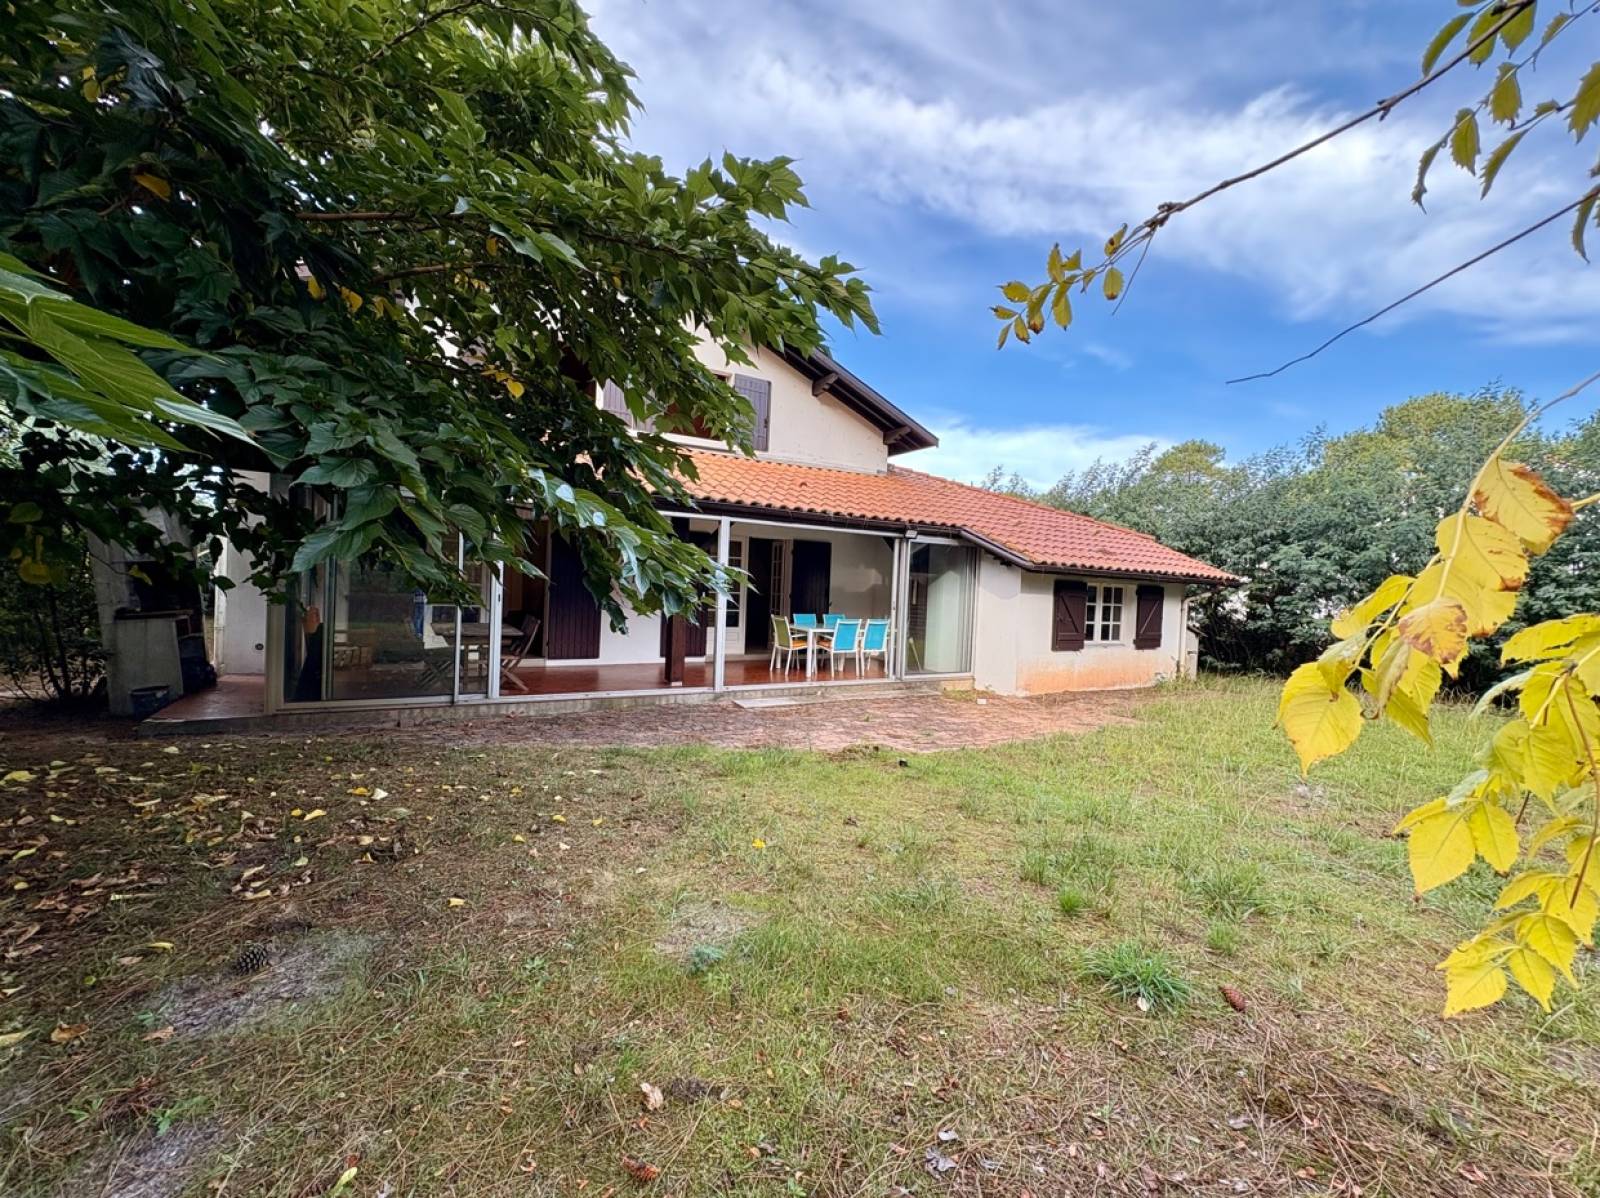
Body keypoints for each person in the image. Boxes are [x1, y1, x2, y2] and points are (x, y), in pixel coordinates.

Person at [291, 602, 324, 703]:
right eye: (309, 617)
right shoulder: (311, 636)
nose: (314, 619)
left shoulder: (320, 633)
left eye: (315, 616)